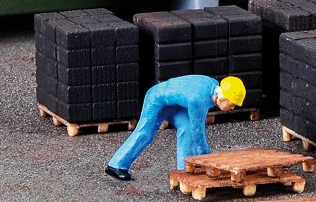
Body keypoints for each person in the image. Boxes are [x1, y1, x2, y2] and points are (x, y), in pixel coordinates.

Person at [105, 74, 245, 180]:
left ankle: (185, 169)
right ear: (222, 98)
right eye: (232, 104)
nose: (232, 108)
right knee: (145, 133)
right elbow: (198, 131)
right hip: (157, 99)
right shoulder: (198, 100)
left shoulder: (214, 85)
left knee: (187, 128)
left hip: (176, 104)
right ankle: (116, 165)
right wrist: (207, 157)